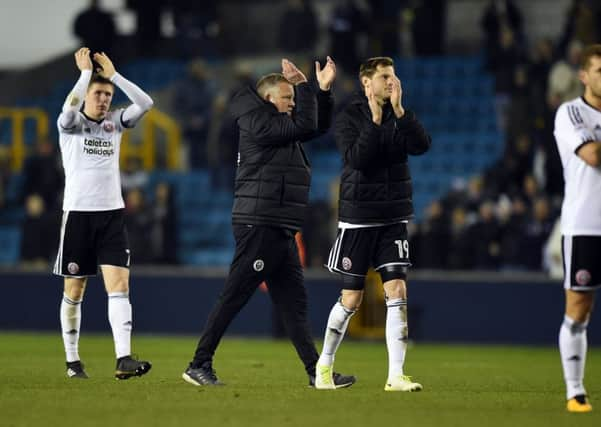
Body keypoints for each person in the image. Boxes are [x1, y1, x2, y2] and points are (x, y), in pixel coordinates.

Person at [183, 57, 355, 388]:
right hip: (259, 223)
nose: (292, 104)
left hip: (279, 225)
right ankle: (198, 363)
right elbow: (306, 125)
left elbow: (317, 126)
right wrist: (305, 86)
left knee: (293, 305)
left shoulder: (279, 126)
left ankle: (315, 373)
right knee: (235, 295)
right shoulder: (260, 125)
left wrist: (323, 90)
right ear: (268, 100)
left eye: (293, 98)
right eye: (287, 98)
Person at [315, 57, 431, 391]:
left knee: (397, 290)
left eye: (393, 76)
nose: (391, 82)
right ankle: (325, 366)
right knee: (351, 298)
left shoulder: (400, 115)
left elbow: (422, 146)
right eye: (384, 77)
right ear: (367, 83)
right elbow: (358, 160)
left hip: (393, 218)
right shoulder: (350, 117)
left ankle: (396, 375)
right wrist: (377, 120)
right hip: (359, 219)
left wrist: (401, 112)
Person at [53, 47, 153, 379]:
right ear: (85, 95)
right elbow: (68, 109)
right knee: (75, 290)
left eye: (107, 94)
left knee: (119, 284)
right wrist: (85, 75)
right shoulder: (71, 123)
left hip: (111, 214)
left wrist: (114, 77)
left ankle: (123, 358)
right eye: (98, 93)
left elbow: (145, 104)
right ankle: (72, 361)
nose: (104, 99)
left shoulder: (115, 123)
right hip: (79, 214)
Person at [552, 43, 601, 413]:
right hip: (586, 225)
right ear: (584, 76)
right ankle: (575, 390)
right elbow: (593, 155)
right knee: (579, 307)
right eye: (600, 71)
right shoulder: (570, 113)